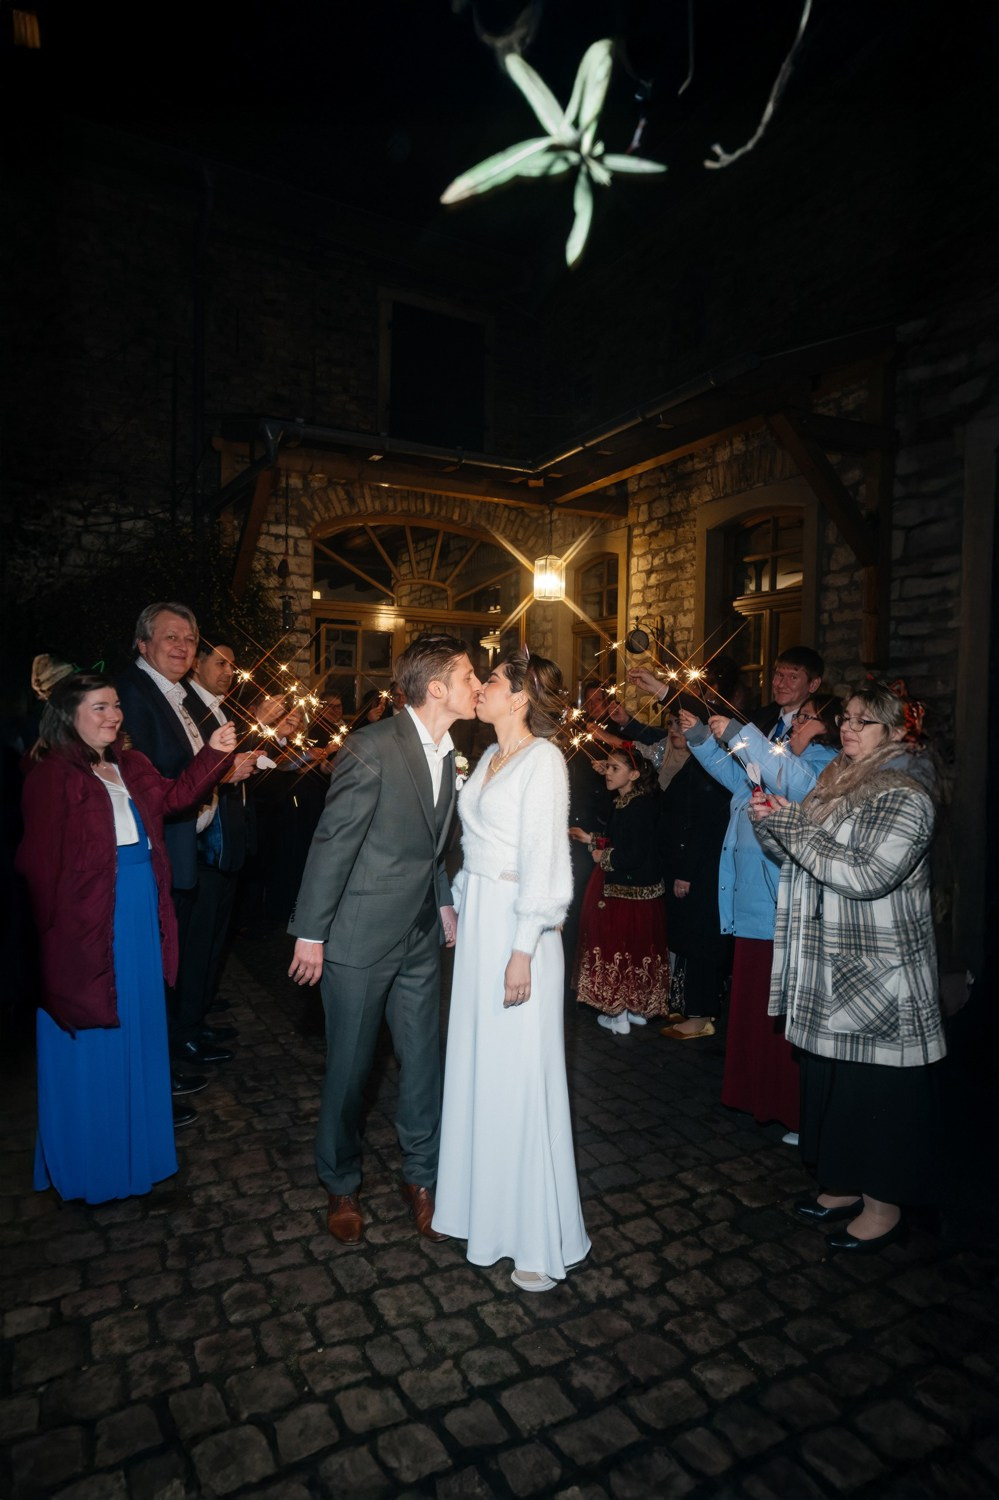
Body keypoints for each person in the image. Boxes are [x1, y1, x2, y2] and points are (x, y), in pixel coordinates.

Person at [288, 635, 481, 1244]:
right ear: (437, 688)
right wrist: (311, 933)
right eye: (469, 676)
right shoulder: (371, 745)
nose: (478, 686)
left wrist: (443, 901)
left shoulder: (451, 752)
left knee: (423, 1063)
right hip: (359, 939)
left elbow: (434, 846)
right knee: (350, 1071)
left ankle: (422, 1178)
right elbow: (333, 841)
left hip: (420, 934)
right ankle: (340, 1180)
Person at [16, 673, 235, 1202]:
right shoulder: (51, 776)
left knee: (138, 1027)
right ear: (68, 713)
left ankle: (142, 1153)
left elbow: (176, 799)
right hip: (86, 926)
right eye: (99, 707)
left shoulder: (130, 764)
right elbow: (37, 869)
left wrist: (214, 752)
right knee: (93, 1031)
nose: (113, 715)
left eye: (115, 706)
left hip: (139, 914)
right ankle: (94, 1165)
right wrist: (55, 946)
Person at [749, 682, 944, 1253]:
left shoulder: (906, 793)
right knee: (832, 1085)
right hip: (826, 965)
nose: (848, 728)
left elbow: (865, 875)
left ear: (896, 731)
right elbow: (798, 855)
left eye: (864, 721)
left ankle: (884, 1205)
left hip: (878, 971)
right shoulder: (838, 779)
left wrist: (794, 827)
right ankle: (841, 1185)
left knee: (874, 1095)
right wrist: (772, 821)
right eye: (848, 719)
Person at [432, 649, 590, 1291]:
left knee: (522, 1077)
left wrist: (524, 945)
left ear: (520, 696)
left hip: (519, 931)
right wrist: (457, 905)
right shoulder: (490, 756)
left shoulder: (543, 760)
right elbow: (476, 848)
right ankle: (484, 1214)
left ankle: (535, 1239)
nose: (480, 688)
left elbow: (547, 862)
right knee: (481, 1068)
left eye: (491, 681)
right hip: (481, 926)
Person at [677, 652, 835, 1135]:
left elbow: (794, 782)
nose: (781, 681)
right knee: (751, 1003)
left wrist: (740, 735)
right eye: (777, 673)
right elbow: (742, 780)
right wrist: (703, 741)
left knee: (778, 1007)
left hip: (780, 886)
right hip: (752, 884)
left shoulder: (822, 756)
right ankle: (752, 1095)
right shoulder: (774, 736)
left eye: (793, 675)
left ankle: (786, 1105)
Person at [117, 603, 252, 1097]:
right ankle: (158, 1066)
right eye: (170, 637)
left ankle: (177, 1042)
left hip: (188, 841)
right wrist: (220, 771)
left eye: (190, 639)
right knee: (158, 964)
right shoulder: (132, 693)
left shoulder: (173, 694)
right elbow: (154, 781)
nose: (182, 646)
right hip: (155, 848)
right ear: (142, 643)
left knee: (180, 955)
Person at [571, 745, 671, 1035]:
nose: (608, 773)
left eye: (615, 768)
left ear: (634, 775)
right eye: (608, 767)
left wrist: (604, 856)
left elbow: (633, 853)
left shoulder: (639, 806)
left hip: (626, 891)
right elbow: (620, 839)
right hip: (634, 889)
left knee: (618, 947)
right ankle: (634, 1009)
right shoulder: (627, 801)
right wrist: (591, 839)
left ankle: (618, 1014)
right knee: (635, 949)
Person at [659, 714, 733, 1040]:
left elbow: (704, 826)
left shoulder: (709, 769)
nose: (675, 731)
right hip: (690, 867)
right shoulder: (693, 766)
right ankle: (688, 1003)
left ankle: (701, 1013)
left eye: (683, 725)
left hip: (701, 873)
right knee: (688, 939)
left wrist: (686, 873)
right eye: (673, 725)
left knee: (699, 940)